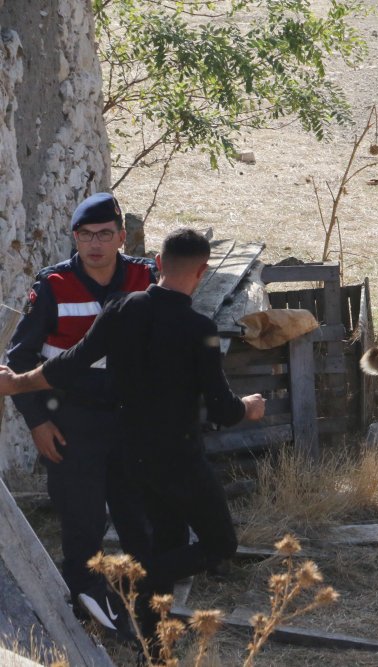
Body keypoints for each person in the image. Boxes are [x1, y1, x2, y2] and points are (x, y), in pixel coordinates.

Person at [0, 228, 266, 637]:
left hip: (129, 454)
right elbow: (221, 408)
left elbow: (70, 364)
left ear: (157, 264)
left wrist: (17, 383)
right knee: (218, 545)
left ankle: (153, 647)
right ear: (203, 270)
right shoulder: (199, 329)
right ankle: (118, 582)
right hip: (179, 460)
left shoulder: (121, 308)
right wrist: (249, 407)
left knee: (163, 547)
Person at [4, 192, 155, 636]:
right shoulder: (53, 285)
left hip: (132, 422)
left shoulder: (147, 278)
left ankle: (143, 616)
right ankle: (85, 621)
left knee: (140, 521)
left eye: (104, 235)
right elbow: (18, 359)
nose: (94, 244)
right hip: (71, 423)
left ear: (121, 237)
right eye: (85, 235)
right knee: (83, 525)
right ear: (75, 237)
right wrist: (37, 422)